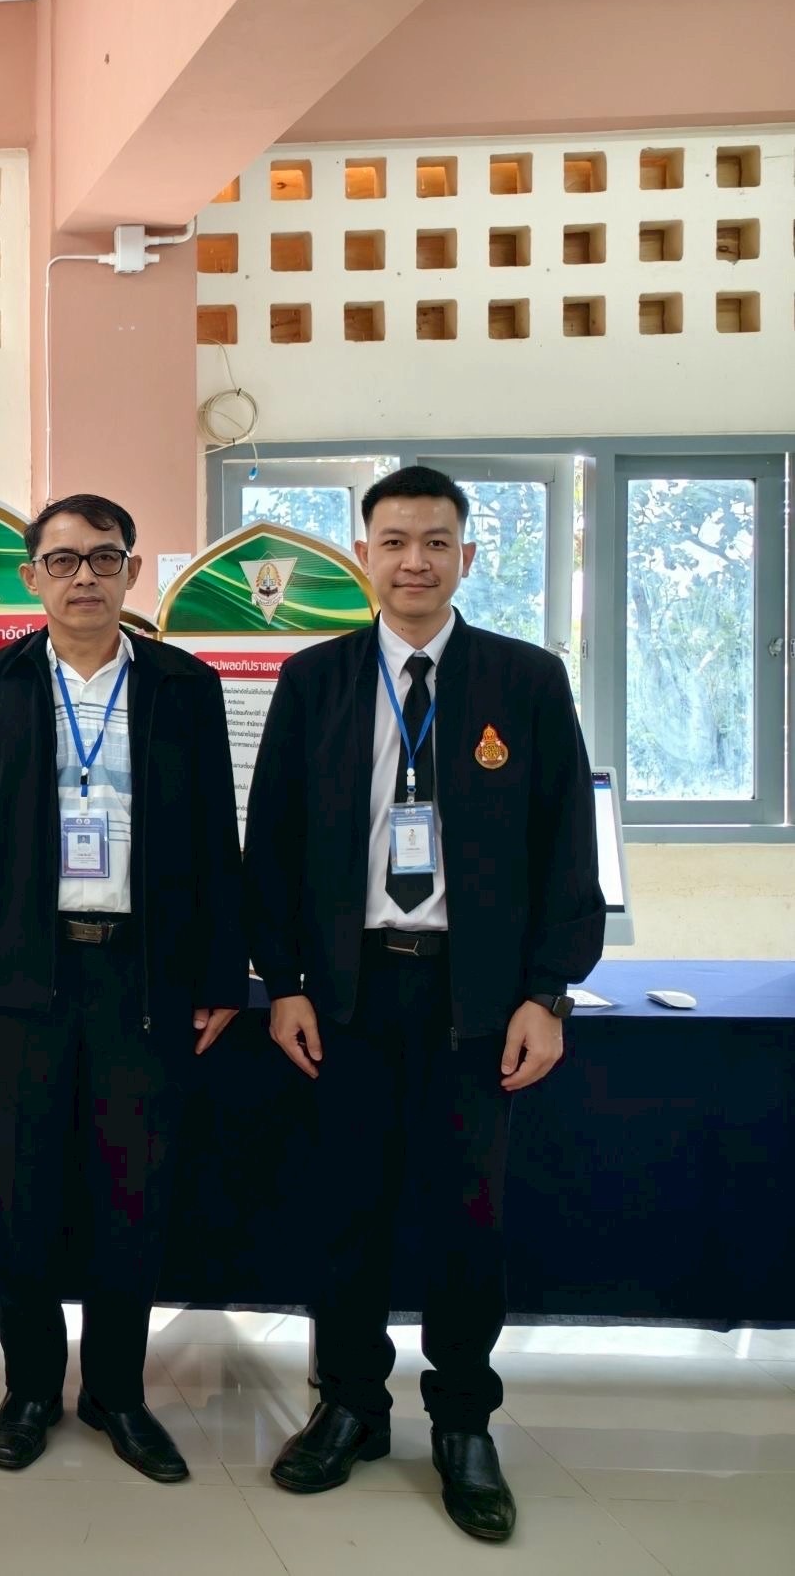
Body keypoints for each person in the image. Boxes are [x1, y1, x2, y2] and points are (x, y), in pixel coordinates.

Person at [246, 465, 602, 1544]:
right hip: (347, 994)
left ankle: (463, 1422)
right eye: (394, 541)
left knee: (466, 1218)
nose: (415, 561)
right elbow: (273, 846)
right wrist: (284, 983)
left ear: (467, 556)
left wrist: (548, 993)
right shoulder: (315, 681)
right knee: (346, 1209)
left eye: (436, 542)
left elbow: (564, 848)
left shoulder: (525, 680)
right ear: (363, 555)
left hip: (475, 1000)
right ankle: (351, 1404)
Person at [0, 492, 248, 1483]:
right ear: (33, 578)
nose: (84, 578)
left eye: (104, 559)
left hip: (141, 978)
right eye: (62, 561)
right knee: (19, 1193)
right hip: (23, 975)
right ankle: (29, 1389)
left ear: (132, 571)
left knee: (130, 1193)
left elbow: (215, 837)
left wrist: (221, 971)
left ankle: (116, 1391)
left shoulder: (184, 685)